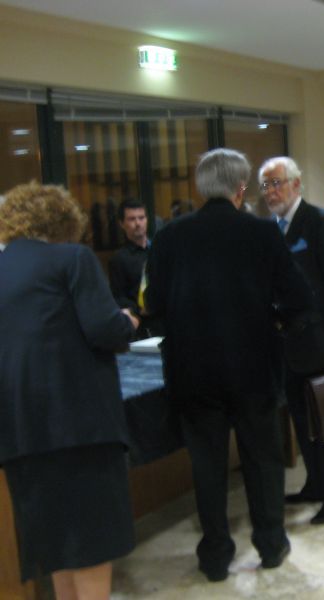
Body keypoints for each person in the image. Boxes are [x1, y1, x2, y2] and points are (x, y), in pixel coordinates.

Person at [145, 148, 312, 581]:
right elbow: (299, 298)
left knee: (207, 466)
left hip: (193, 371)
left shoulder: (169, 237)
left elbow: (154, 306)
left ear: (201, 187)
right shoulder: (261, 233)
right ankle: (270, 544)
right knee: (263, 460)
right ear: (241, 188)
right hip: (253, 368)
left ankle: (215, 555)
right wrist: (276, 323)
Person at [0, 182, 138, 599]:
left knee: (56, 547)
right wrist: (127, 321)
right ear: (64, 221)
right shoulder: (72, 258)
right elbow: (103, 328)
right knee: (92, 543)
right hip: (79, 427)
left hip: (20, 433)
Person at [258, 155, 324, 525]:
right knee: (302, 422)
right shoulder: (269, 230)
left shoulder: (321, 222)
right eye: (266, 186)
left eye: (277, 183)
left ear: (296, 184)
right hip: (287, 346)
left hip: (321, 342)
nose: (271, 192)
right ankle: (316, 484)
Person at [108, 198, 156, 338]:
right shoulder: (119, 259)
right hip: (141, 325)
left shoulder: (158, 250)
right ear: (122, 224)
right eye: (131, 219)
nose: (138, 223)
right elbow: (119, 296)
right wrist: (139, 309)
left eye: (141, 218)